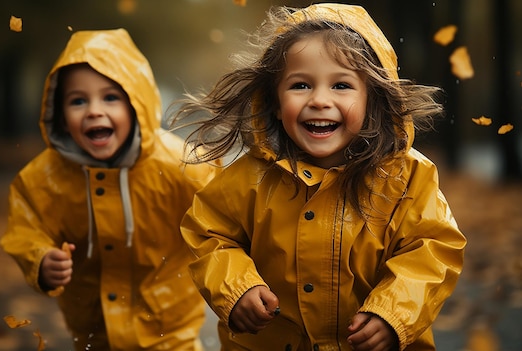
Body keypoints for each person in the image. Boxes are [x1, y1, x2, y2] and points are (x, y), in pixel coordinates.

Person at [169, 3, 466, 351]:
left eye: (341, 85)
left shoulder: (408, 178)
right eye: (300, 85)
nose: (320, 100)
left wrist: (393, 313)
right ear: (276, 103)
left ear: (372, 100)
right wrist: (236, 287)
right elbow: (210, 235)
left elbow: (431, 250)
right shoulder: (249, 178)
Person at [0, 29, 216, 350]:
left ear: (135, 104)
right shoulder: (45, 177)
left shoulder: (180, 165)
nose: (94, 111)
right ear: (59, 113)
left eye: (110, 97)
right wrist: (41, 260)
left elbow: (223, 215)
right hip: (91, 333)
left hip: (169, 333)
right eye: (78, 101)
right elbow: (25, 229)